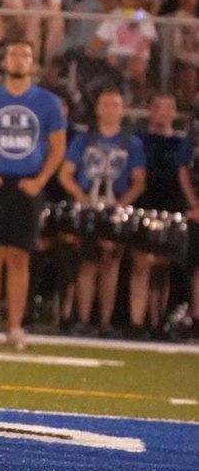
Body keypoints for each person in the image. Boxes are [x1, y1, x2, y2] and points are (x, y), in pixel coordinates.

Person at [0, 40, 66, 349]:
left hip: (27, 186)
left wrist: (40, 180)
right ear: (4, 62)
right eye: (14, 54)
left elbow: (57, 147)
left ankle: (16, 327)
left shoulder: (48, 102)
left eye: (26, 55)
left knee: (20, 256)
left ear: (33, 64)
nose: (19, 60)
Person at [58, 88, 146, 337]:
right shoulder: (83, 141)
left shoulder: (132, 143)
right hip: (89, 206)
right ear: (97, 109)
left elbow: (139, 180)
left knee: (111, 265)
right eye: (105, 104)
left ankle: (105, 322)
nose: (110, 109)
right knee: (87, 263)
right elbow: (66, 173)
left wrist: (122, 203)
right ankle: (84, 319)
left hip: (115, 206)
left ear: (122, 110)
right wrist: (82, 197)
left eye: (115, 104)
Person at [132, 93, 199, 332]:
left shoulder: (182, 143)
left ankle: (158, 320)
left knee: (165, 267)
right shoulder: (138, 140)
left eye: (168, 108)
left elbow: (183, 173)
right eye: (158, 107)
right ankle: (137, 322)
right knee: (141, 265)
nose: (162, 112)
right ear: (150, 111)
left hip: (173, 208)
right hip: (145, 203)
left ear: (174, 113)